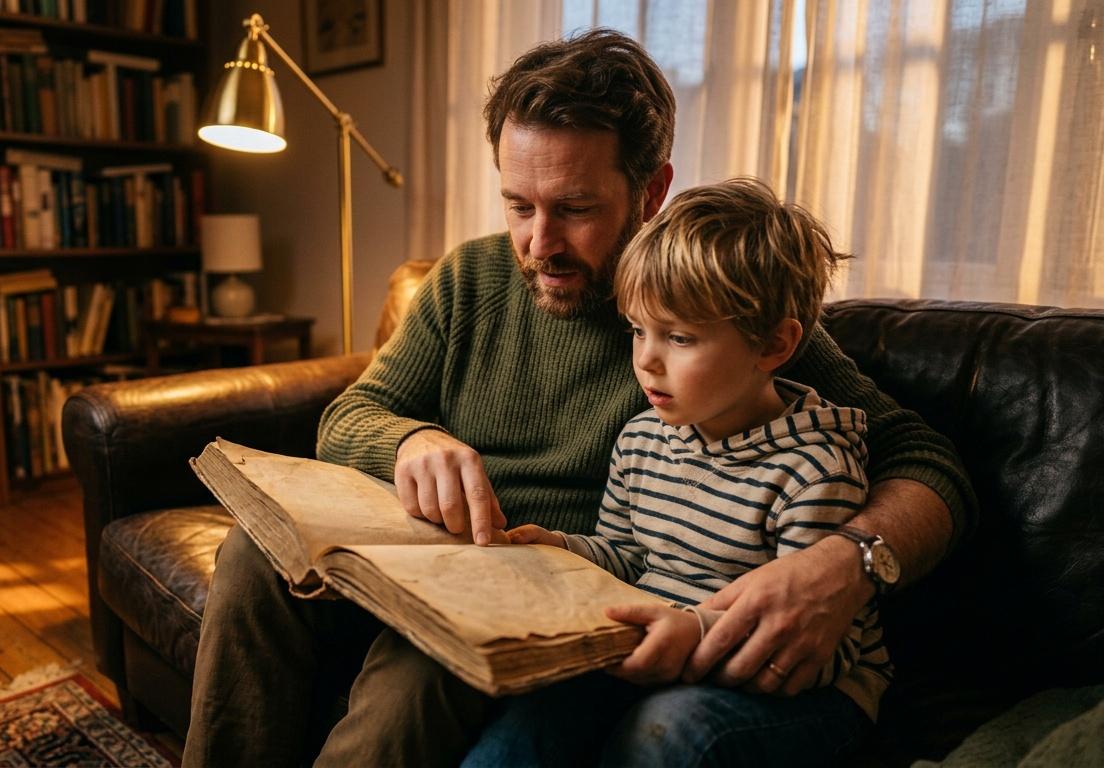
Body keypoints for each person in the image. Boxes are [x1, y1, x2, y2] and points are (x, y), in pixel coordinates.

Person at [183, 29, 975, 767]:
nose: (538, 244)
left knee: (420, 675)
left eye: (576, 209)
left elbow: (926, 461)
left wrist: (849, 562)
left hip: (532, 595)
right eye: (518, 204)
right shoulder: (468, 281)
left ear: (651, 189)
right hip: (417, 552)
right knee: (253, 554)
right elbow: (348, 416)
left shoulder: (708, 306)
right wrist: (411, 442)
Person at [464, 177, 887, 766]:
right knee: (536, 714)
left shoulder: (814, 469)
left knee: (670, 730)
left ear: (774, 345)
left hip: (803, 694)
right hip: (662, 658)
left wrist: (693, 632)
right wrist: (559, 549)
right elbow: (628, 555)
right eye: (638, 330)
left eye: (680, 338)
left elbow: (809, 651)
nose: (645, 359)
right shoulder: (643, 438)